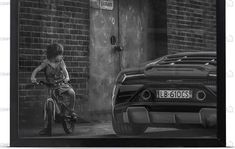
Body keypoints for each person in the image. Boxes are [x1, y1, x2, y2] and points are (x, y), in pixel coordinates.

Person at [31, 43, 77, 135]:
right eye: (60, 54)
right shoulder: (46, 63)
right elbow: (37, 69)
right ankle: (47, 127)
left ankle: (71, 111)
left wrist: (67, 77)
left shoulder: (61, 62)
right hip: (51, 86)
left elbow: (65, 71)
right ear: (53, 55)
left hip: (61, 84)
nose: (62, 56)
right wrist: (33, 77)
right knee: (49, 104)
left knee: (71, 92)